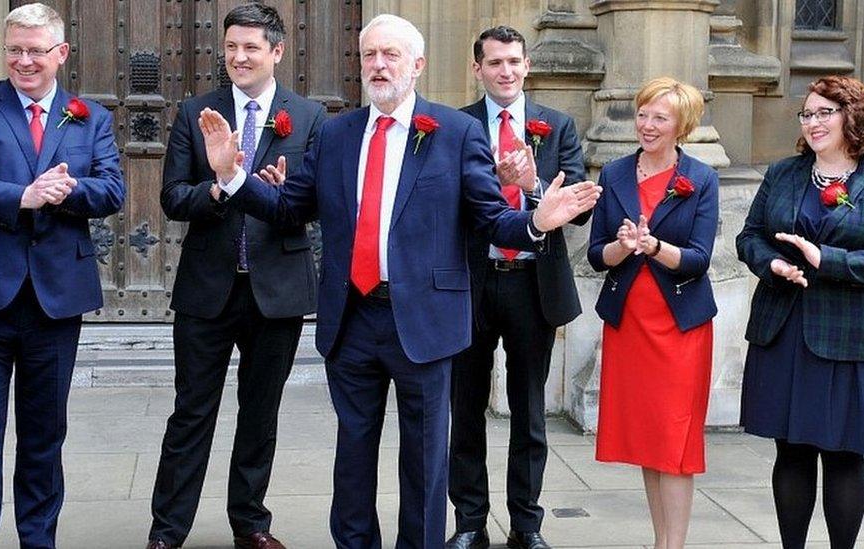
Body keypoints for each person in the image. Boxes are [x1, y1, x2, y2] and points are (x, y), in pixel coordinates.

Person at [195, 13, 601, 548]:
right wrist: (232, 177)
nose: (379, 65)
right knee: (353, 455)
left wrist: (534, 221)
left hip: (426, 322)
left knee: (426, 460)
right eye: (369, 55)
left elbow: (487, 216)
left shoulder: (456, 132)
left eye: (391, 55)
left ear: (418, 65)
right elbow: (292, 208)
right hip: (353, 319)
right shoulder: (337, 133)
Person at [0, 3, 125, 547]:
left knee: (45, 436)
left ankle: (37, 539)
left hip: (55, 302)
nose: (24, 61)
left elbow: (112, 189)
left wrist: (66, 191)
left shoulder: (90, 116)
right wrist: (22, 196)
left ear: (61, 53)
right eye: (14, 50)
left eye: (35, 51)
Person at [145, 5, 325, 549]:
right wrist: (223, 184)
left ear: (276, 51)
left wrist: (268, 189)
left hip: (278, 291)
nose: (238, 57)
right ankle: (166, 531)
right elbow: (174, 197)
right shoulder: (197, 110)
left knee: (260, 414)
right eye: (231, 48)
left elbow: (307, 207)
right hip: (208, 289)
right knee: (191, 412)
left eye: (250, 47)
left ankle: (250, 523)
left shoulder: (311, 117)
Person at [736, 75, 864, 549]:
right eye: (807, 114)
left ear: (852, 116)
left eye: (824, 113)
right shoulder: (784, 174)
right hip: (785, 328)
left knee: (842, 454)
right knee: (790, 452)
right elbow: (749, 237)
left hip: (854, 336)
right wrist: (773, 264)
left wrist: (825, 259)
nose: (812, 122)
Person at [446, 25, 591, 549]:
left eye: (513, 62)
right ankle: (469, 524)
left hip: (533, 284)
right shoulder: (455, 126)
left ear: (527, 65)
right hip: (471, 285)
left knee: (529, 413)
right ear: (478, 68)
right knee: (465, 410)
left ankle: (527, 527)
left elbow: (579, 206)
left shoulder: (557, 126)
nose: (505, 72)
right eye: (494, 63)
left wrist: (530, 185)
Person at [586, 77, 718, 549]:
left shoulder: (700, 178)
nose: (646, 124)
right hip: (630, 323)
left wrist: (654, 246)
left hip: (679, 326)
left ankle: (673, 545)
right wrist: (624, 249)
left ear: (681, 125)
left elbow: (701, 258)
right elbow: (596, 255)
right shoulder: (616, 172)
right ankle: (662, 539)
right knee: (648, 438)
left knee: (676, 443)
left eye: (659, 117)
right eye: (643, 114)